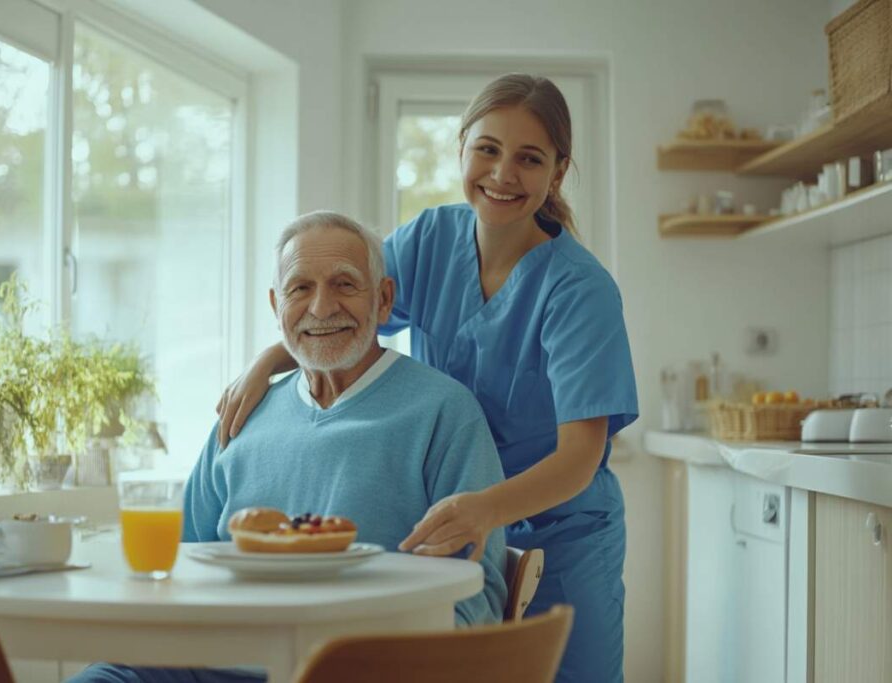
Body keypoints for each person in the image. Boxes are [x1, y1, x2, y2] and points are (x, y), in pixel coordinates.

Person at [215, 74, 638, 682]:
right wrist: (266, 363)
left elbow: (580, 457)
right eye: (488, 149)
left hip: (560, 532)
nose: (503, 174)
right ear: (462, 147)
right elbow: (340, 309)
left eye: (529, 158)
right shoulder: (429, 240)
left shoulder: (579, 289)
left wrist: (485, 508)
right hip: (459, 526)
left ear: (558, 172)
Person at [71, 211, 508, 683]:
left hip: (357, 668)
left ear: (383, 301)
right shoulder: (246, 411)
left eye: (344, 284)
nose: (321, 308)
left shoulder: (444, 411)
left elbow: (477, 596)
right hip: (207, 662)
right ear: (276, 305)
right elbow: (181, 562)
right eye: (301, 288)